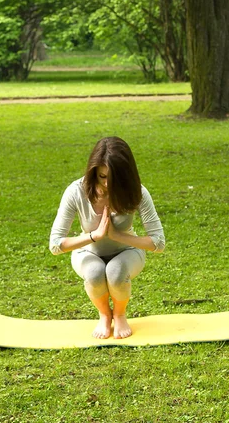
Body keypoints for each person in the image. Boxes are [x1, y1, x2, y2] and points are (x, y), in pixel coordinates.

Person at [49, 136, 165, 340]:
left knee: (115, 271)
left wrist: (117, 235)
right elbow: (56, 244)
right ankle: (104, 314)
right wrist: (94, 236)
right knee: (94, 273)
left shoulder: (137, 192)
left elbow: (158, 242)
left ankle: (119, 314)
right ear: (93, 171)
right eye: (102, 176)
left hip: (127, 251)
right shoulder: (76, 191)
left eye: (114, 179)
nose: (106, 184)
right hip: (87, 251)